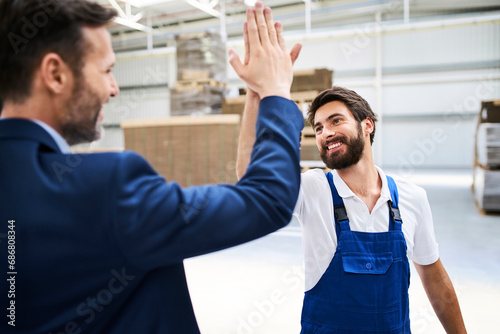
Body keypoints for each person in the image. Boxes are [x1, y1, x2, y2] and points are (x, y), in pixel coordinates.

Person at [0, 0, 303, 333]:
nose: (114, 88)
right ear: (55, 74)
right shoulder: (107, 188)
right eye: (106, 70)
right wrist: (276, 91)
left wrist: (256, 94)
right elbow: (267, 199)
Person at [237, 86, 467, 333]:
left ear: (367, 125)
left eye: (336, 120)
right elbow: (253, 179)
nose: (326, 132)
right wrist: (254, 94)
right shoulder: (313, 190)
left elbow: (434, 276)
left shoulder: (412, 198)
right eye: (319, 128)